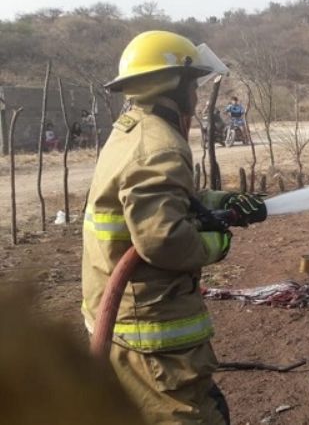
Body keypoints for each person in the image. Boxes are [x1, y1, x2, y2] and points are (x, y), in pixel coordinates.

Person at [82, 30, 266, 425]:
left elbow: (162, 201)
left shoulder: (132, 129)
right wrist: (218, 241)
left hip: (121, 315)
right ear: (173, 85)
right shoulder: (160, 144)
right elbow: (162, 239)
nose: (197, 95)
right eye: (193, 84)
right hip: (151, 329)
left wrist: (221, 203)